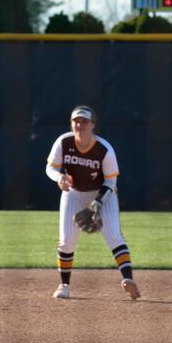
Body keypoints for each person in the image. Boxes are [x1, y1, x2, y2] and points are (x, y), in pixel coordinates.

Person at [45, 105, 140, 300]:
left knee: (113, 235)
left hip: (104, 194)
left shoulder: (104, 149)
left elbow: (111, 181)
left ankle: (129, 281)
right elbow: (50, 168)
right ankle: (64, 285)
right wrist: (59, 178)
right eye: (76, 121)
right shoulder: (64, 142)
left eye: (84, 121)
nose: (79, 125)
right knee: (66, 241)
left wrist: (98, 201)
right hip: (74, 193)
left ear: (93, 125)